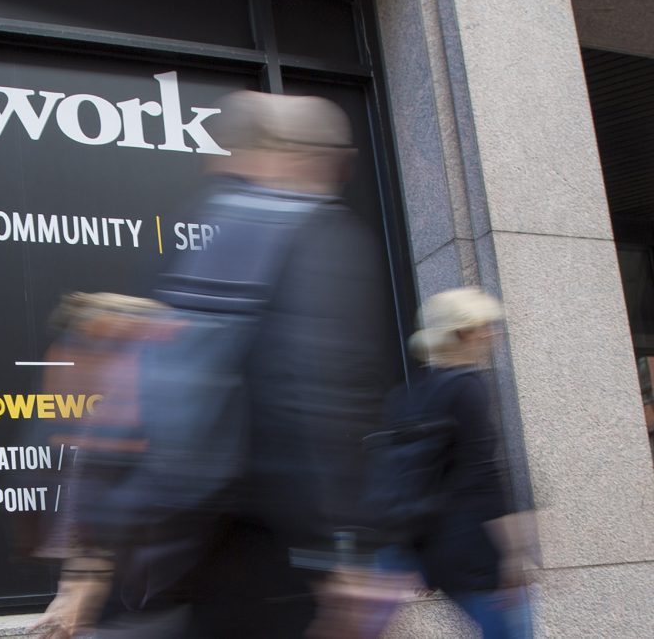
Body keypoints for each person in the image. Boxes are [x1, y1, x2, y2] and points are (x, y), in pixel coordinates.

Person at [32, 91, 392, 638]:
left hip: (175, 543)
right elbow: (312, 403)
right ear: (303, 154)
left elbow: (131, 414)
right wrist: (337, 553)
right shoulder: (313, 235)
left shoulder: (196, 237)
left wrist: (90, 569)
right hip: (264, 547)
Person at [374, 287, 535, 638]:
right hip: (472, 553)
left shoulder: (407, 395)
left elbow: (408, 476)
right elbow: (483, 477)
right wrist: (511, 556)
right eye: (484, 327)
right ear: (462, 334)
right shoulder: (468, 389)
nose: (491, 335)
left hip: (426, 549)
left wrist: (415, 555)